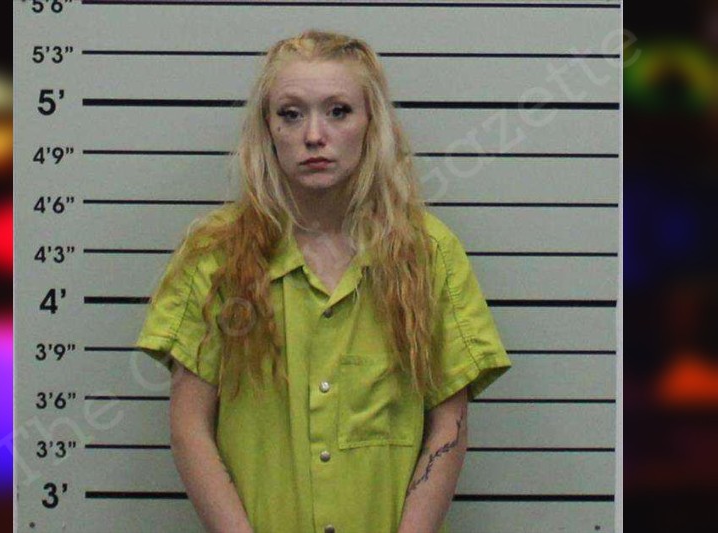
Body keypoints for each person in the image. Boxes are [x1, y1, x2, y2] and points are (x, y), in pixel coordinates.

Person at [135, 29, 512, 533]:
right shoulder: (215, 255)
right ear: (267, 128)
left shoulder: (430, 253)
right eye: (291, 114)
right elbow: (189, 427)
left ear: (371, 123)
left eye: (338, 111)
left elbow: (449, 424)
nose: (315, 135)